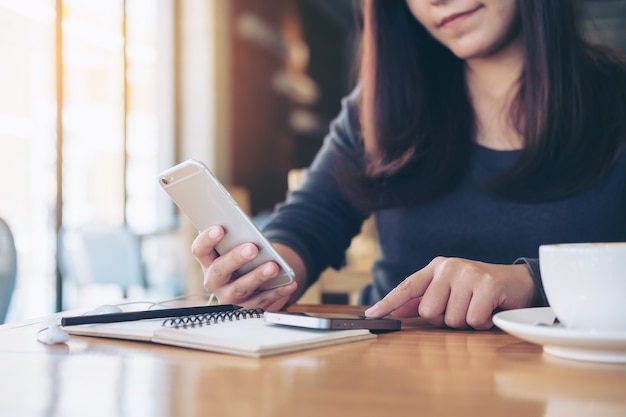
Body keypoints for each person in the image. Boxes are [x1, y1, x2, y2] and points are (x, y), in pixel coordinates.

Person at [192, 0, 626, 330]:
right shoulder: (386, 105)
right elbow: (309, 222)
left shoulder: (615, 98)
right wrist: (265, 271)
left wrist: (529, 282)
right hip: (393, 373)